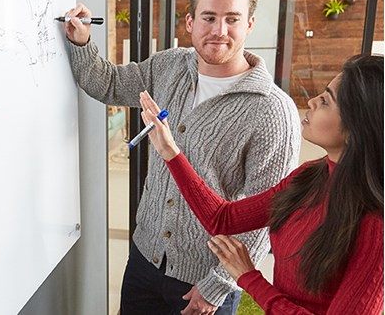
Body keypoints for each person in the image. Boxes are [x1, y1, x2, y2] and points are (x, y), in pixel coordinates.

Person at [62, 0, 301, 314]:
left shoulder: (272, 111)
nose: (219, 30)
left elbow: (269, 214)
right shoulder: (170, 65)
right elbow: (109, 83)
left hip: (203, 282)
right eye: (208, 17)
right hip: (144, 260)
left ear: (249, 25)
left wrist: (218, 285)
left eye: (232, 19)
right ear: (190, 22)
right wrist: (82, 42)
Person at [140, 53, 384, 314]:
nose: (311, 102)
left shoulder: (376, 226)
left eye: (325, 101)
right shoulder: (310, 177)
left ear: (356, 127)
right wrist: (170, 151)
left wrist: (249, 277)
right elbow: (222, 218)